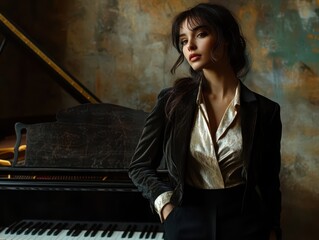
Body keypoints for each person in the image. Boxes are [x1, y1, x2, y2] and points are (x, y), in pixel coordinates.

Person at [128, 3, 282, 240]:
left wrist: (272, 229)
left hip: (246, 224)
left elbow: (269, 182)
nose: (189, 45)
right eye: (182, 40)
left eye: (201, 34)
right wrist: (167, 207)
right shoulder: (171, 102)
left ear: (225, 38)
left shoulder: (265, 110)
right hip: (186, 220)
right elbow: (139, 166)